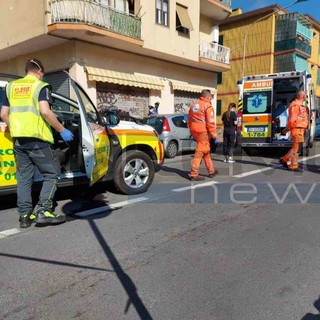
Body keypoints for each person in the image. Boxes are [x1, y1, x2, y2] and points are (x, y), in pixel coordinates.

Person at [0, 58, 74, 228]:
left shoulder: (10, 87)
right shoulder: (40, 86)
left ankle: (25, 216)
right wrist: (62, 129)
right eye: (43, 74)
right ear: (40, 72)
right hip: (37, 141)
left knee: (24, 179)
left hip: (19, 141)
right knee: (52, 174)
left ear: (27, 70)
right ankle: (44, 211)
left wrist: (16, 129)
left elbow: (4, 114)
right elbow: (45, 112)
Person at [187, 89, 218, 181]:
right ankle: (194, 174)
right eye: (211, 98)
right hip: (203, 131)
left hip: (194, 130)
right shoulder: (207, 106)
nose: (211, 100)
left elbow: (189, 119)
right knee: (200, 151)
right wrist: (214, 134)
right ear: (208, 97)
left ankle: (211, 170)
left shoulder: (193, 105)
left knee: (206, 150)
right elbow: (210, 122)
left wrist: (191, 130)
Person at [279, 90, 309, 172]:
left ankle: (284, 160)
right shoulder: (295, 105)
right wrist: (287, 129)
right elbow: (292, 119)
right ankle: (293, 165)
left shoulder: (300, 106)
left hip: (300, 129)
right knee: (296, 148)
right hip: (296, 129)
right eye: (305, 95)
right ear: (302, 96)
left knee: (296, 147)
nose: (306, 97)